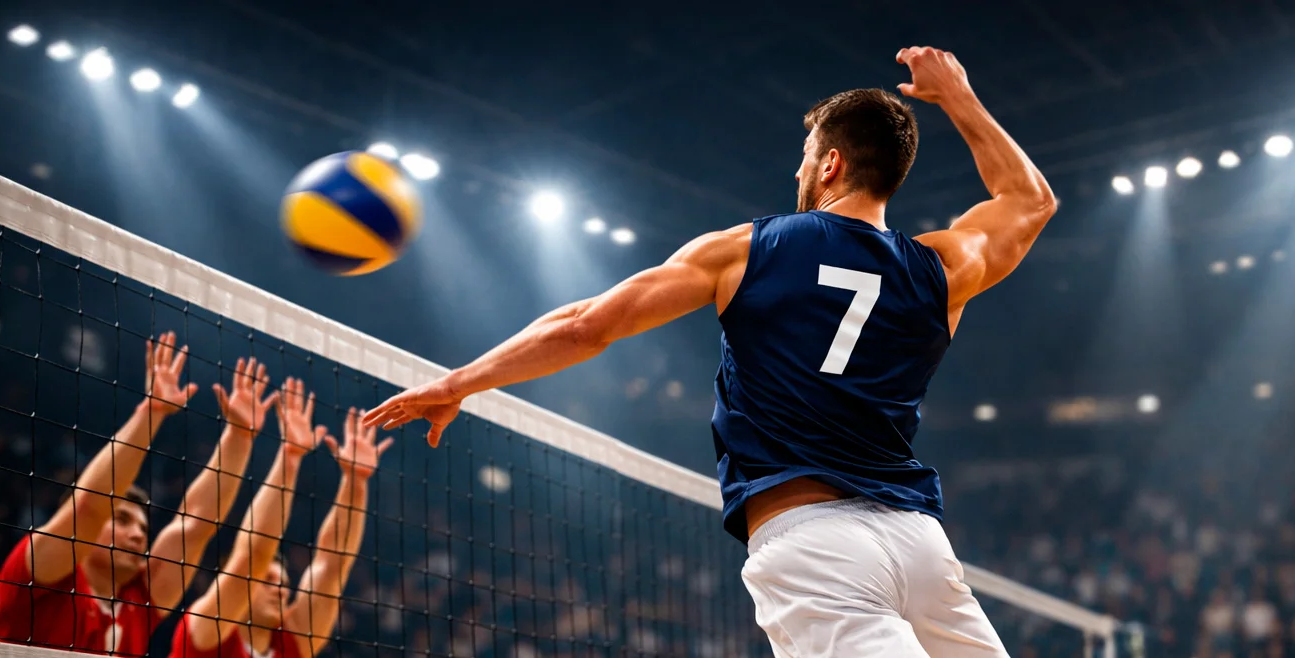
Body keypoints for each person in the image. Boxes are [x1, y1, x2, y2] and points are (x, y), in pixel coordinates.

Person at [364, 45, 1054, 657]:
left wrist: (459, 382)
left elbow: (586, 325)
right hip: (920, 544)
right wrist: (957, 95)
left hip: (815, 544)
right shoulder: (944, 267)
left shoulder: (749, 248)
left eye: (807, 154)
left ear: (832, 163)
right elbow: (1029, 201)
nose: (800, 167)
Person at [0, 333, 278, 656]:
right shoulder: (40, 570)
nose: (138, 534)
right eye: (123, 519)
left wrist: (239, 436)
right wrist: (151, 411)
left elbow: (196, 525)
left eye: (143, 528)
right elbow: (89, 508)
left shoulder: (139, 598)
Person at [172, 394, 390, 658]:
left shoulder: (293, 644)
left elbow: (332, 568)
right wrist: (290, 456)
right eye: (268, 580)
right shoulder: (206, 629)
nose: (280, 589)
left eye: (284, 582)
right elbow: (253, 556)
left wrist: (356, 483)